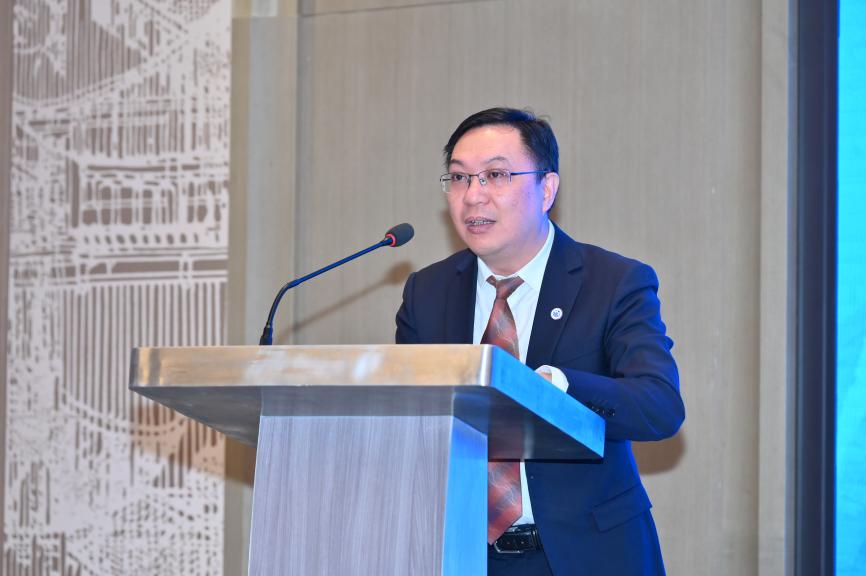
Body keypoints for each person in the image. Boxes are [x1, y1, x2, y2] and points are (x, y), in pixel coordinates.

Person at [395, 107, 685, 575]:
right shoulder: (427, 292)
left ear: (546, 189)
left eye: (495, 175)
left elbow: (659, 406)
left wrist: (558, 390)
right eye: (459, 178)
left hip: (586, 555)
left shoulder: (613, 282)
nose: (473, 195)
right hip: (460, 555)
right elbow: (409, 424)